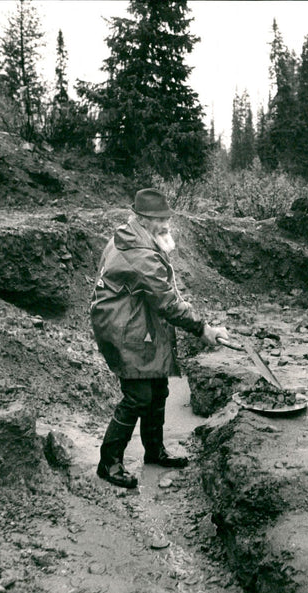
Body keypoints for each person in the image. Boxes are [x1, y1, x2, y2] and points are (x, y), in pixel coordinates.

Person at [90, 188, 229, 488]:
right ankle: (108, 462)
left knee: (158, 388)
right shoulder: (140, 254)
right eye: (159, 219)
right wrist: (203, 329)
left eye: (167, 218)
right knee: (138, 396)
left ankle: (154, 451)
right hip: (123, 329)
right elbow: (166, 303)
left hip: (133, 319)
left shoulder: (131, 237)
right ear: (142, 219)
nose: (166, 224)